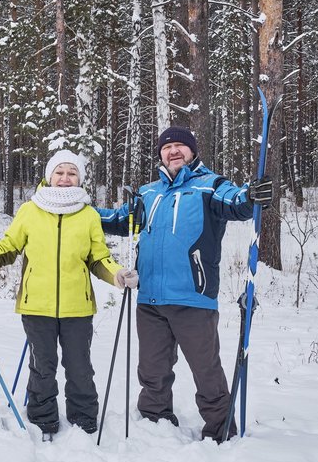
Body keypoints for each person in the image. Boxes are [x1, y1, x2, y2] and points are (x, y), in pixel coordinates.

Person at [0, 150, 139, 441]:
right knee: (42, 367)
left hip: (78, 308)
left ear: (80, 179)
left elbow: (98, 259)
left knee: (79, 367)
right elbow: (6, 249)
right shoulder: (30, 211)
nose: (65, 178)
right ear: (49, 177)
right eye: (59, 172)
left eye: (71, 173)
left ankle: (84, 419)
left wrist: (118, 274)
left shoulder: (88, 215)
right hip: (37, 307)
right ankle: (43, 419)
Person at [95, 126, 273, 442]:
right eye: (168, 146)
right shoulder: (148, 193)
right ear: (160, 153)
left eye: (180, 146)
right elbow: (117, 221)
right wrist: (75, 210)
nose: (174, 151)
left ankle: (220, 430)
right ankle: (154, 421)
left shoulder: (210, 185)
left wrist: (250, 195)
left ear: (192, 151)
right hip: (149, 299)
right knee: (151, 370)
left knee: (206, 372)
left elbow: (237, 203)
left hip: (193, 297)